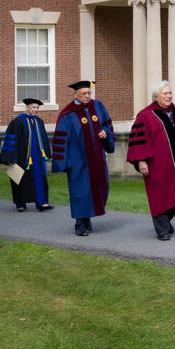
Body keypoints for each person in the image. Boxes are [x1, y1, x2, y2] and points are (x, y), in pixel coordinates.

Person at [127, 81, 175, 241]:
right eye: (165, 94)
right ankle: (162, 229)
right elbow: (138, 139)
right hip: (157, 165)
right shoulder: (145, 115)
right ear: (156, 96)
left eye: (170, 93)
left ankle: (165, 222)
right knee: (159, 195)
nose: (169, 96)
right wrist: (141, 161)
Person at [52, 83, 115, 235]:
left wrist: (105, 133)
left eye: (89, 93)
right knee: (80, 191)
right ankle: (80, 224)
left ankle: (87, 219)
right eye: (83, 94)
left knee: (97, 189)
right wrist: (63, 162)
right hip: (78, 161)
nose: (87, 96)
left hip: (97, 158)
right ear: (75, 95)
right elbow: (60, 138)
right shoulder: (67, 114)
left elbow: (108, 125)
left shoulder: (98, 106)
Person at [0, 97, 54, 213]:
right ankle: (20, 204)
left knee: (40, 179)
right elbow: (11, 140)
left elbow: (44, 138)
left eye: (37, 108)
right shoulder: (18, 122)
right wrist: (11, 157)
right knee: (19, 179)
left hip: (37, 157)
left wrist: (46, 153)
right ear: (27, 107)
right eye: (34, 107)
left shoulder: (39, 122)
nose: (36, 110)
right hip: (22, 157)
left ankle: (42, 203)